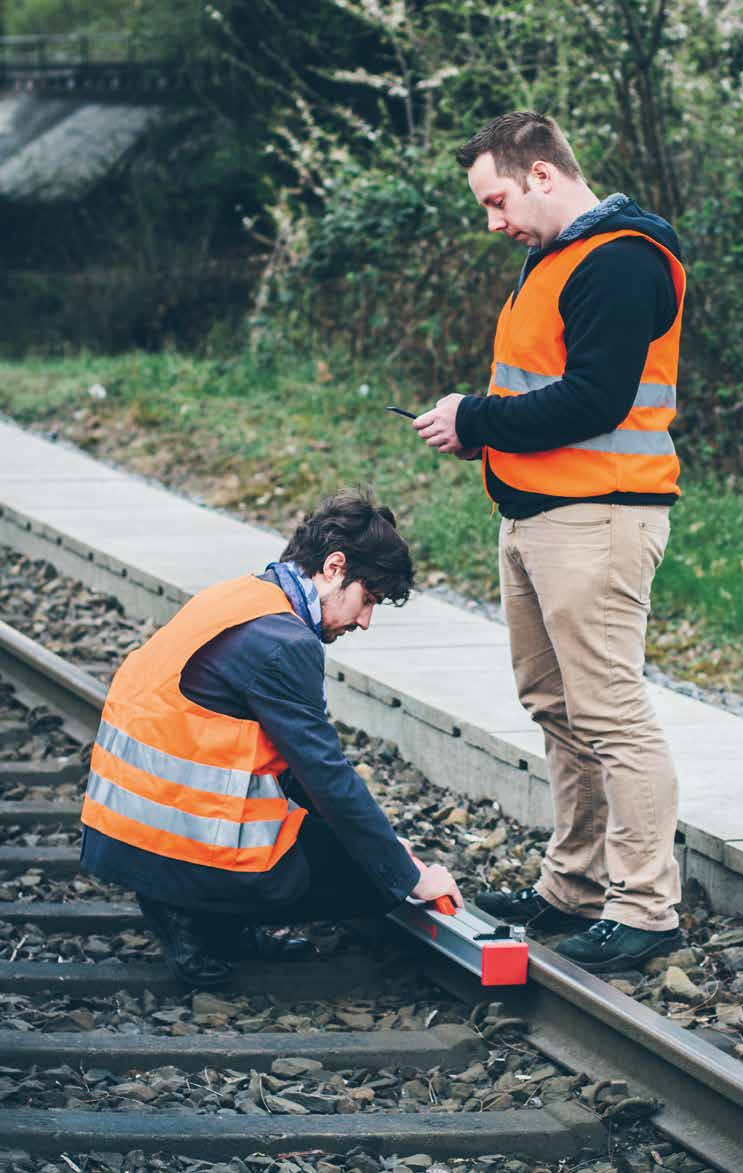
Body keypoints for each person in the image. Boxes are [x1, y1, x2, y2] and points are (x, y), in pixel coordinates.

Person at [414, 111, 685, 973]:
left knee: (610, 713)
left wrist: (475, 418)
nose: (493, 221)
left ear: (541, 175)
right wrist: (482, 433)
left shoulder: (623, 260)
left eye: (496, 200)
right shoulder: (558, 256)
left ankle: (645, 906)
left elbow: (595, 400)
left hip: (598, 520)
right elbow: (551, 390)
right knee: (556, 708)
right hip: (537, 517)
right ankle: (574, 886)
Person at [80, 488, 463, 985]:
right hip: (174, 845)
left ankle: (207, 912)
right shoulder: (285, 644)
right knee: (371, 881)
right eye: (367, 599)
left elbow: (297, 773)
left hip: (126, 833)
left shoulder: (242, 596)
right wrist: (408, 875)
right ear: (334, 567)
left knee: (345, 843)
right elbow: (325, 776)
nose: (365, 621)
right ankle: (199, 918)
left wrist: (389, 846)